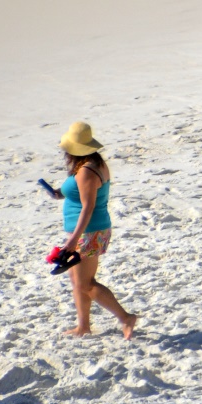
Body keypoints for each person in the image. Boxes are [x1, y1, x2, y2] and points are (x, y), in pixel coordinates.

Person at [55, 121, 138, 339]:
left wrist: (74, 239)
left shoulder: (87, 171)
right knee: (77, 282)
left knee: (86, 283)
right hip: (85, 230)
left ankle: (125, 317)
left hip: (89, 231)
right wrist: (59, 193)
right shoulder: (89, 165)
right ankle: (83, 326)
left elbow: (88, 206)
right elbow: (78, 192)